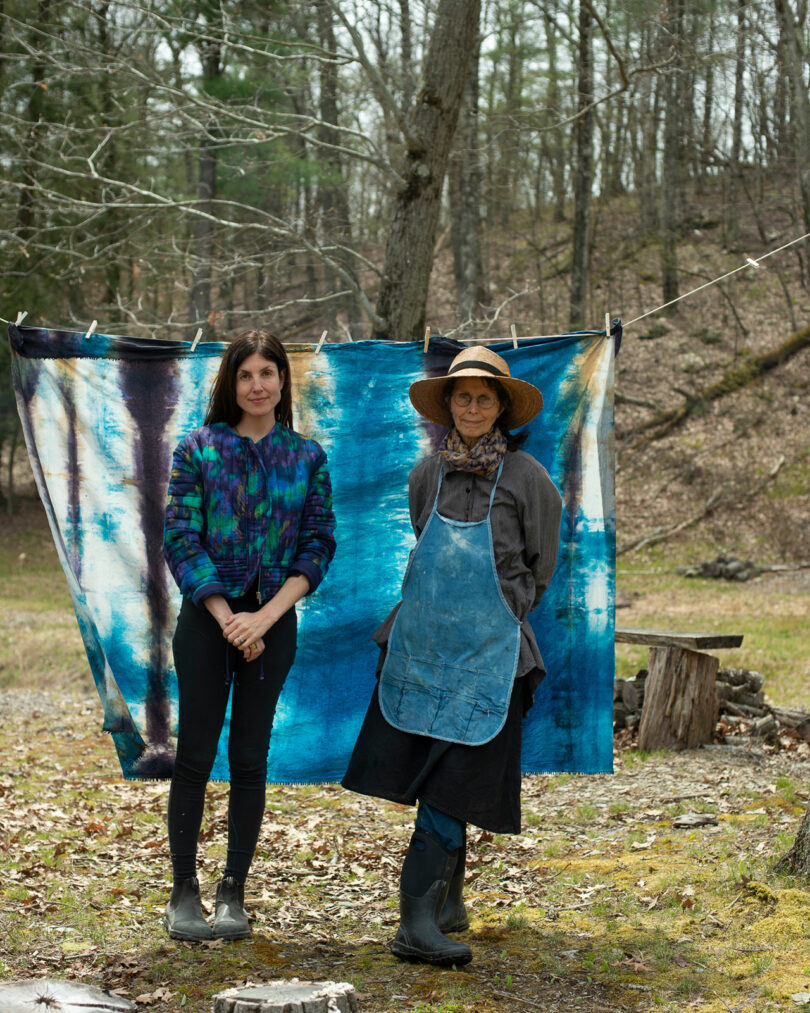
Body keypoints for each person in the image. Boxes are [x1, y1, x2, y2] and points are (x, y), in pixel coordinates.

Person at [342, 345, 562, 967]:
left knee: (457, 777)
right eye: (461, 397)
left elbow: (540, 567)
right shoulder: (425, 474)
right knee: (436, 775)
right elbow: (424, 543)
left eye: (483, 398)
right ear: (448, 407)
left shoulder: (528, 480)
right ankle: (429, 915)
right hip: (421, 649)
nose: (471, 406)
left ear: (501, 408)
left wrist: (498, 612)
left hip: (492, 655)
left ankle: (428, 915)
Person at [162, 329, 336, 942]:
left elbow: (319, 544)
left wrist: (265, 618)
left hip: (274, 620)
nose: (258, 385)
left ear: (283, 381)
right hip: (208, 620)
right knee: (196, 755)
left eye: (268, 372)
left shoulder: (307, 457)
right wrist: (228, 618)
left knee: (249, 759)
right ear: (230, 384)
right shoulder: (199, 450)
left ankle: (233, 890)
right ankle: (184, 890)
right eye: (246, 375)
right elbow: (181, 537)